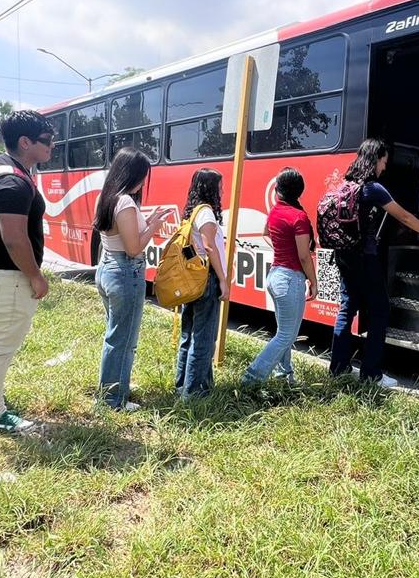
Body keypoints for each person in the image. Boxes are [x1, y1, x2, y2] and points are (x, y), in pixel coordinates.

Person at [328, 139, 419, 387]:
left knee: (347, 308)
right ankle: (371, 374)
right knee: (380, 310)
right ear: (375, 159)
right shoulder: (373, 189)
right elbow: (403, 216)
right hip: (364, 258)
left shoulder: (344, 186)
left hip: (343, 255)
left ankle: (338, 368)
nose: (384, 167)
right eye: (383, 162)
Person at [0, 109, 56, 435]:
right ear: (25, 142)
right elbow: (13, 236)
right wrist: (35, 275)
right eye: (46, 140)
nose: (52, 146)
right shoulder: (12, 182)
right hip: (7, 278)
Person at [94, 147, 170, 412]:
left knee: (116, 334)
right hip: (125, 272)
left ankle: (115, 388)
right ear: (131, 175)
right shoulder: (125, 201)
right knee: (123, 339)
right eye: (141, 177)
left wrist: (146, 222)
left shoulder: (107, 197)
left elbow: (120, 236)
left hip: (107, 269)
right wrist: (153, 228)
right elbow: (134, 248)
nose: (142, 184)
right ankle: (112, 401)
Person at [242, 168, 317, 387]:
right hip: (290, 280)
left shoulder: (275, 211)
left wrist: (281, 249)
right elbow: (304, 256)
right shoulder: (299, 217)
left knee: (283, 331)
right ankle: (252, 377)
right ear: (299, 191)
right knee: (286, 335)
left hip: (274, 276)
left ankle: (285, 375)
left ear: (278, 190)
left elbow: (266, 234)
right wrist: (314, 281)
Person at [174, 168, 230, 399]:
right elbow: (209, 248)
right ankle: (194, 394)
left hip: (194, 281)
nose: (223, 190)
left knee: (189, 335)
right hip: (207, 280)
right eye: (220, 186)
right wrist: (223, 280)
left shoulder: (192, 212)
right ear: (210, 188)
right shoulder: (206, 213)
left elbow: (188, 248)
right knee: (203, 338)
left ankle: (184, 386)